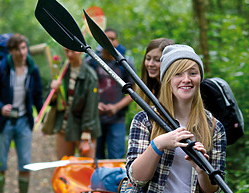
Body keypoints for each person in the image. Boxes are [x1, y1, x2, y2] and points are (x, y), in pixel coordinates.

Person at [126, 44, 226, 193]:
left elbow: (213, 190)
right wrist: (158, 144)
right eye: (178, 74)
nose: (186, 80)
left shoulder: (214, 127)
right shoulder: (145, 120)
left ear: (200, 78)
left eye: (193, 73)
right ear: (167, 80)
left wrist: (202, 170)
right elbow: (137, 179)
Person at [0, 33, 43, 193]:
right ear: (10, 51)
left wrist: (42, 115)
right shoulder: (1, 68)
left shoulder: (32, 70)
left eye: (24, 48)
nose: (22, 52)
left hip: (24, 121)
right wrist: (0, 107)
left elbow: (37, 95)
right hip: (4, 122)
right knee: (1, 163)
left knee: (25, 165)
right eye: (17, 49)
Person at [86, 27, 136, 159]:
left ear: (117, 42)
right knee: (95, 159)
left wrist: (116, 107)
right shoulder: (91, 62)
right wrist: (95, 105)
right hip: (94, 119)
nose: (109, 41)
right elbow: (83, 91)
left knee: (117, 158)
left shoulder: (125, 64)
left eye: (112, 39)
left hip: (117, 118)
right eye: (106, 38)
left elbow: (134, 93)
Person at [50, 48, 101, 159]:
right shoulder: (62, 71)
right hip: (65, 125)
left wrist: (86, 137)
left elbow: (90, 108)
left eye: (73, 51)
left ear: (81, 51)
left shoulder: (89, 75)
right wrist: (54, 91)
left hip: (84, 127)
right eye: (66, 51)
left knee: (86, 167)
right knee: (63, 165)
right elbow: (50, 101)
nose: (69, 54)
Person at [137, 38, 174, 105]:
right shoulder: (155, 87)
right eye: (148, 58)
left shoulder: (176, 90)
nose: (150, 64)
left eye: (157, 60)